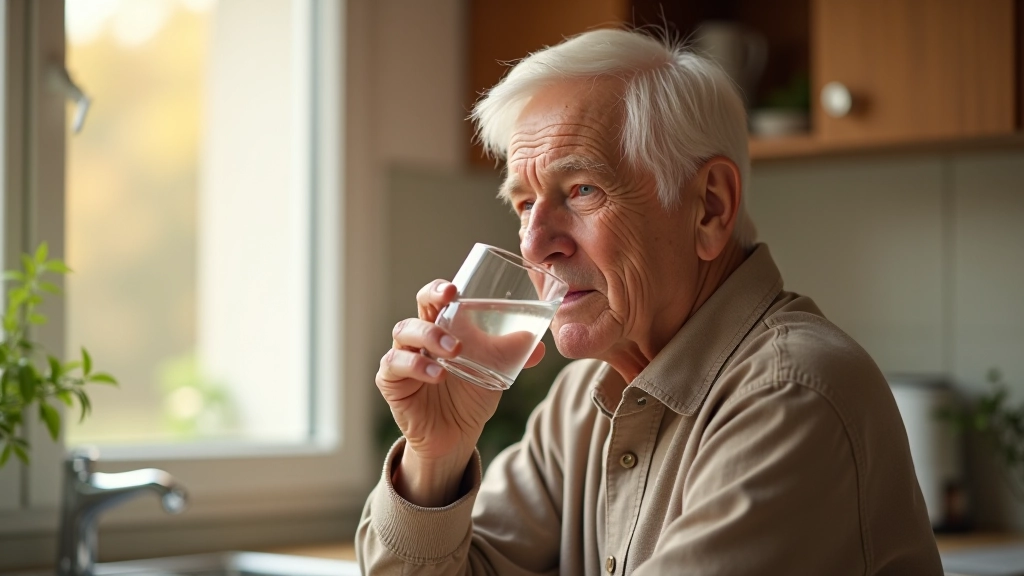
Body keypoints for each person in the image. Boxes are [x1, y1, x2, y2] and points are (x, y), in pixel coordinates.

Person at [357, 28, 942, 575]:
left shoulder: (791, 394)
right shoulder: (578, 406)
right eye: (525, 204)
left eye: (582, 189)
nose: (536, 245)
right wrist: (435, 456)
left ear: (709, 207)